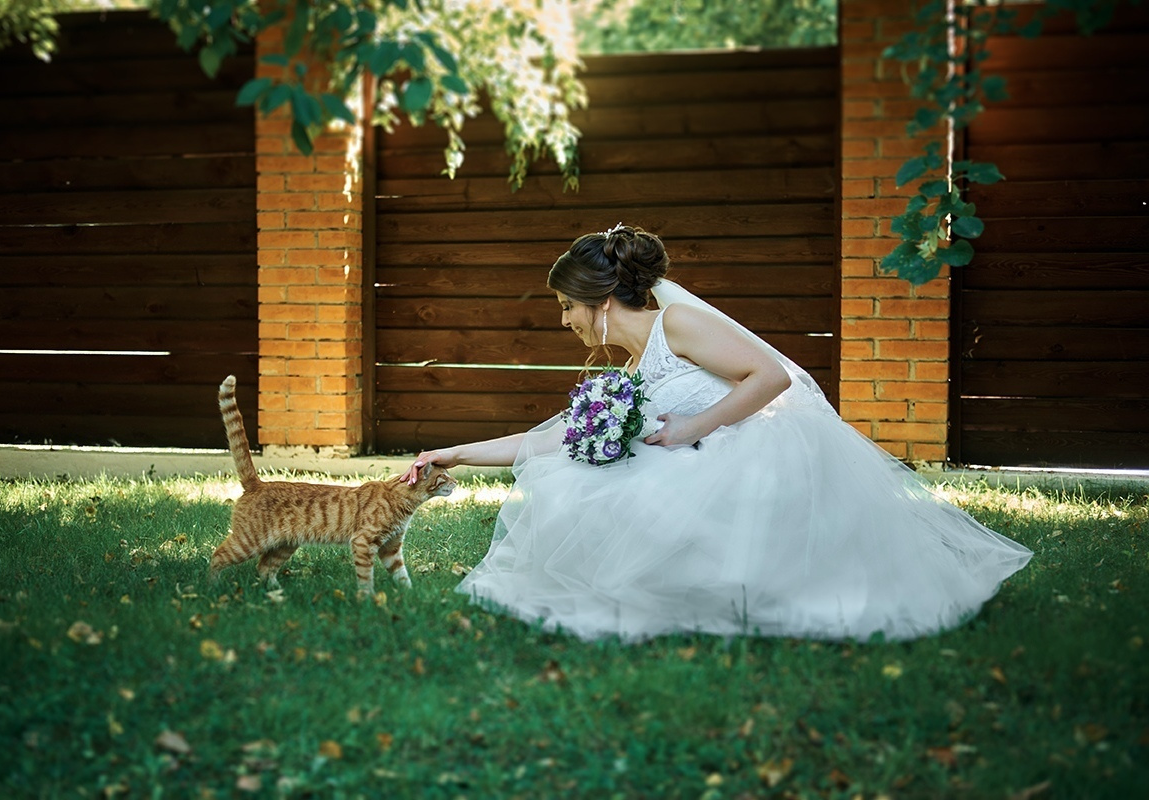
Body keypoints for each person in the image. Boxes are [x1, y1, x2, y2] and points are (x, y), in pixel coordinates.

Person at [400, 224, 1032, 643]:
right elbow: (545, 440)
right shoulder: (629, 372)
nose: (564, 320)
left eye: (566, 306)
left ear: (599, 299)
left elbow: (772, 375)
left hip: (759, 449)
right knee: (579, 479)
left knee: (636, 490)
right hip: (700, 447)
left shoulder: (677, 325)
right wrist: (450, 451)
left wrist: (694, 428)